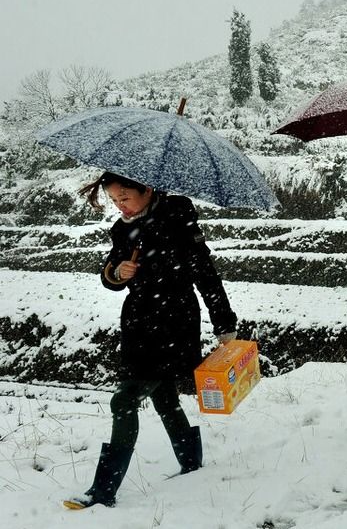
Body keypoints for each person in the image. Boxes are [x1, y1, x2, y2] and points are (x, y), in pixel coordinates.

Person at [64, 172, 238, 510]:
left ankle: (104, 490)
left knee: (124, 400)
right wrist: (116, 273)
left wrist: (224, 322)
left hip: (173, 322)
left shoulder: (177, 220)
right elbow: (112, 274)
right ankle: (190, 462)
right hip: (138, 323)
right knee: (163, 393)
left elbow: (205, 272)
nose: (121, 206)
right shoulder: (123, 229)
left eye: (125, 197)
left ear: (147, 189)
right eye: (115, 200)